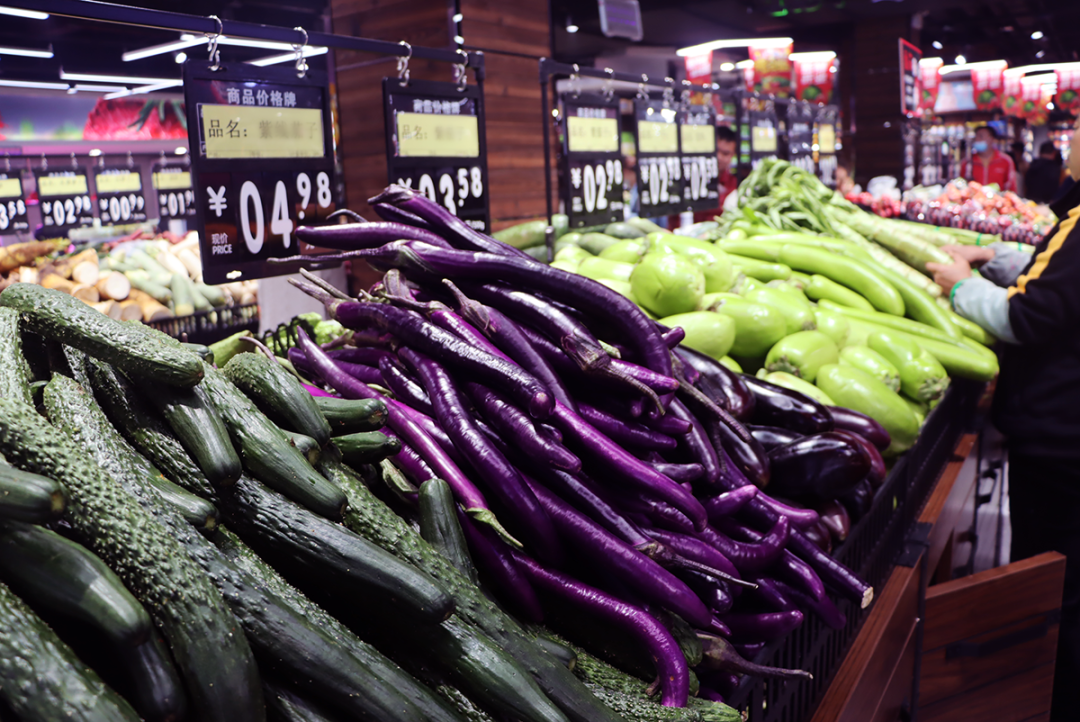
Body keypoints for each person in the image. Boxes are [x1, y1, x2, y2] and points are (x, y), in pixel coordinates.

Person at [926, 116, 1080, 722]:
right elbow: (1053, 274)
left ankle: (1051, 698)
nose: (1071, 140)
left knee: (1055, 584)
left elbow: (1028, 316)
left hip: (1060, 443)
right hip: (1065, 432)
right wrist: (994, 253)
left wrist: (961, 286)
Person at [690, 125, 738, 224]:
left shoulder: (734, 185)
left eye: (725, 153)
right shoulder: (690, 179)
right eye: (715, 150)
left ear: (733, 155)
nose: (718, 157)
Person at [961, 125, 1017, 192]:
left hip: (998, 198)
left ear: (991, 139)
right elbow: (962, 187)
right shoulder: (967, 162)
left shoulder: (1005, 161)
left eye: (981, 136)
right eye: (976, 137)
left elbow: (1011, 188)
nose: (977, 140)